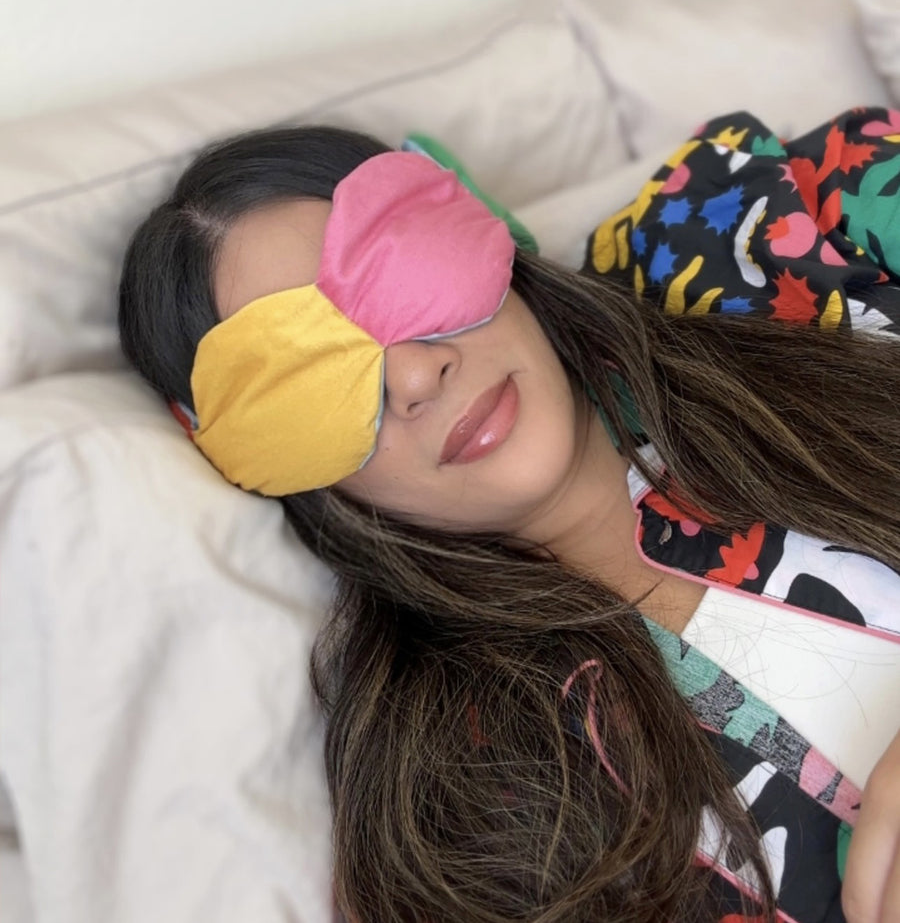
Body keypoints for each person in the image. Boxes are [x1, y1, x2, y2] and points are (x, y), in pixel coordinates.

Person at [117, 108, 900, 923]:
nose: (415, 375)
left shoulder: (754, 231)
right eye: (306, 380)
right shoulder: (452, 805)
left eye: (399, 272)